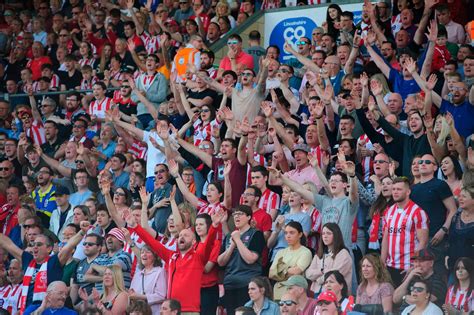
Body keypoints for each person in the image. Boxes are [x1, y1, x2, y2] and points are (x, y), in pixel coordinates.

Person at [128, 203, 223, 313]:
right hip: (171, 311)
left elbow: (208, 243)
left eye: (186, 235)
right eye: (180, 235)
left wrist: (214, 226)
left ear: (193, 242)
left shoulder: (198, 257)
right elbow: (152, 242)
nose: (181, 237)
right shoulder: (171, 256)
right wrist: (135, 226)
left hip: (189, 310)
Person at [381, 176, 429, 287]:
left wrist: (414, 265)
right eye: (394, 189)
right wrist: (382, 262)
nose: (395, 192)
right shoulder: (389, 211)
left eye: (399, 189)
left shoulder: (417, 212)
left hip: (408, 267)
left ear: (408, 192)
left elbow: (423, 242)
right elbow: (386, 238)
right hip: (390, 266)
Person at [218, 205, 266, 314]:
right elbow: (220, 262)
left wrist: (238, 240)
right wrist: (231, 246)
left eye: (240, 214)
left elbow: (250, 259)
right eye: (235, 214)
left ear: (249, 217)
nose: (236, 217)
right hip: (230, 284)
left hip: (248, 285)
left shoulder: (256, 234)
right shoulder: (230, 236)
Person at [306, 223, 353, 297]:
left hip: (336, 294)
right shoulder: (319, 254)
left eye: (328, 233)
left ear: (336, 235)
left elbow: (335, 275)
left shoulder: (343, 253)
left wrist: (319, 279)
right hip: (317, 293)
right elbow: (308, 274)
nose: (325, 236)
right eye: (323, 233)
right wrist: (321, 271)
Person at [269, 221, 312, 300]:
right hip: (278, 291)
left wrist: (280, 270)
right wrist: (289, 269)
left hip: (295, 293)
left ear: (300, 234)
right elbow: (271, 273)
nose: (288, 236)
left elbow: (296, 272)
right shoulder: (280, 252)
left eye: (292, 233)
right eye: (286, 233)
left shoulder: (305, 252)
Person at [129, 245, 167, 314]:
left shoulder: (160, 271)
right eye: (142, 252)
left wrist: (141, 296)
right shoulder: (137, 274)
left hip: (154, 312)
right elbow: (132, 293)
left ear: (155, 256)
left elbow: (161, 296)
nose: (144, 254)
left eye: (148, 252)